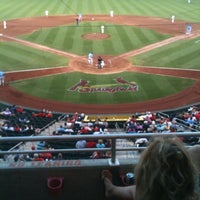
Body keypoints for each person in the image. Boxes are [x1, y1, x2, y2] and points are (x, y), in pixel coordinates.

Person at [102, 137, 199, 200]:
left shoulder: (139, 193)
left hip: (147, 194)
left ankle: (111, 189)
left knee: (140, 191)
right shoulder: (193, 193)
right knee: (196, 149)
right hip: (185, 192)